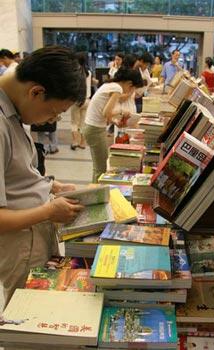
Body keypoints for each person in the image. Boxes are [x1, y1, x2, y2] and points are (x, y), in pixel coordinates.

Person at [0, 46, 86, 305]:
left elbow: (15, 173)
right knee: (29, 315)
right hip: (22, 242)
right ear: (36, 91)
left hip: (33, 232)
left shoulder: (13, 109)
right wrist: (49, 212)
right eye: (54, 112)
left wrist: (52, 186)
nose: (52, 119)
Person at [83, 68, 143, 183]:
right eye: (133, 88)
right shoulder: (117, 88)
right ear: (130, 84)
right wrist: (121, 112)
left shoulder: (110, 85)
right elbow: (106, 112)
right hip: (95, 129)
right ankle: (97, 195)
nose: (130, 91)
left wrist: (115, 122)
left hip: (93, 128)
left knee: (99, 166)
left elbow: (105, 112)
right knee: (101, 169)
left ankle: (96, 192)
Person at [70, 52, 92, 150]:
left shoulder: (74, 72)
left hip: (77, 100)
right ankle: (83, 143)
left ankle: (75, 142)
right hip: (87, 100)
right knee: (83, 123)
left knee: (74, 122)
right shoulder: (89, 73)